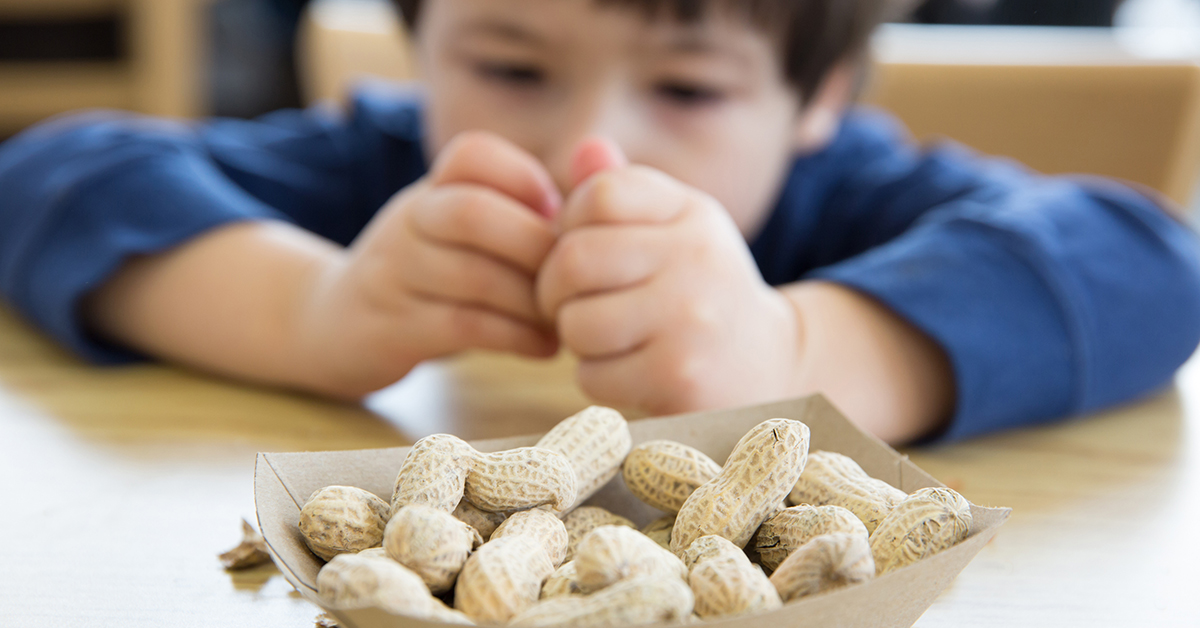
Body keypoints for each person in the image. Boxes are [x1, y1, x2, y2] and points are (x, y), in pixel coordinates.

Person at [1, 0, 1198, 445]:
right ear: (420, 45)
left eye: (688, 89)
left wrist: (799, 356)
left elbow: (1151, 260)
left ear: (819, 101)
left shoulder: (859, 200)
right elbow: (56, 172)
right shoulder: (382, 166)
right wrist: (308, 308)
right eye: (512, 65)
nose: (593, 151)